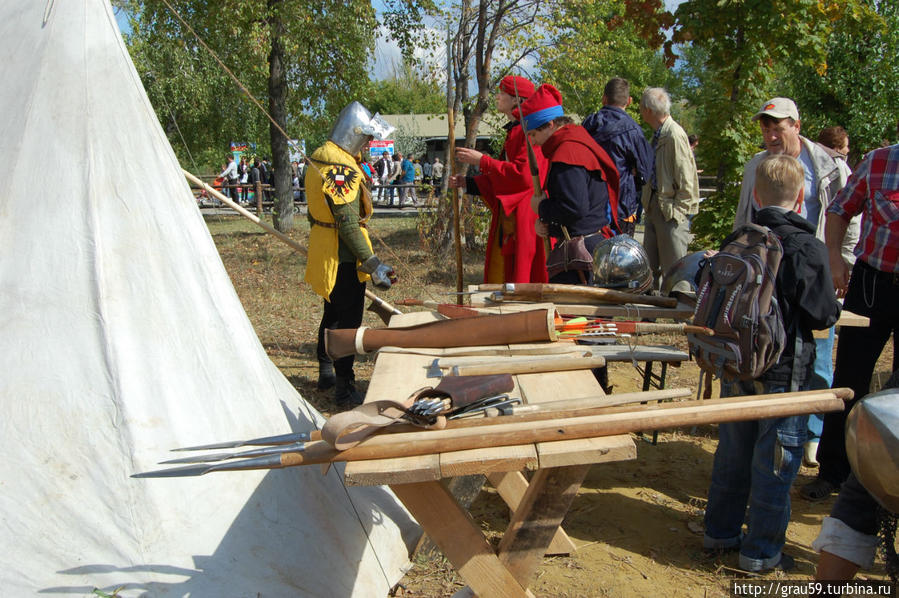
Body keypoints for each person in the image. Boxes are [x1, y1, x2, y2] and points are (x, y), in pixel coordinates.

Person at [702, 154, 842, 573]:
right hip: (784, 372)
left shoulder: (737, 240)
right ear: (802, 196)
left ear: (757, 194)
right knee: (775, 465)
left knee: (732, 453)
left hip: (736, 363)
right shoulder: (805, 246)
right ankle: (760, 554)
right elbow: (822, 315)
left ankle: (719, 534)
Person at [733, 98, 858, 485]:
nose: (770, 134)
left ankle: (811, 437)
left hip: (812, 265)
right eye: (765, 128)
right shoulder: (757, 165)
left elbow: (846, 216)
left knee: (818, 352)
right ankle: (767, 428)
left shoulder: (830, 166)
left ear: (796, 126)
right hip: (767, 273)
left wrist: (841, 259)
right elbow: (744, 214)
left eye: (778, 127)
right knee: (767, 346)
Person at [804, 141, 899, 500]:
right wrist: (834, 255)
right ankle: (832, 471)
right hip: (873, 282)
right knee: (849, 379)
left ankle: (888, 484)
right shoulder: (879, 162)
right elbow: (840, 209)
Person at [304, 102, 397, 409]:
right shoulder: (340, 169)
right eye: (367, 138)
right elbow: (346, 222)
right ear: (354, 134)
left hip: (326, 248)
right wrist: (372, 263)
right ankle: (344, 387)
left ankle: (326, 371)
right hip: (342, 256)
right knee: (347, 322)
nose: (369, 144)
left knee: (331, 314)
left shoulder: (320, 158)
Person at [448, 75, 549, 283]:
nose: (497, 97)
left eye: (502, 92)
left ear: (516, 99)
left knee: (524, 275)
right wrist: (468, 183)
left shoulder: (528, 130)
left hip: (526, 216)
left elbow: (524, 177)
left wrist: (483, 161)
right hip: (514, 216)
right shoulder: (515, 131)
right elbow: (503, 176)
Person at [519, 83, 620, 285]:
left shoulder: (568, 153)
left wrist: (541, 207)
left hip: (580, 254)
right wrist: (549, 224)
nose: (533, 142)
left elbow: (574, 207)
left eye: (533, 134)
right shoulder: (574, 143)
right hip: (587, 245)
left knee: (575, 315)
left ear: (550, 125)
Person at [639, 87, 700, 290]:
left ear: (648, 109)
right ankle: (648, 316)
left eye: (641, 105)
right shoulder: (658, 135)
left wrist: (677, 212)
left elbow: (686, 178)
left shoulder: (674, 135)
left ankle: (678, 318)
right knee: (648, 270)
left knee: (675, 272)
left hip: (670, 212)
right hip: (655, 206)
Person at [582, 78, 654, 237]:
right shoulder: (634, 131)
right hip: (620, 207)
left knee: (588, 257)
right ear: (629, 101)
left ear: (604, 98)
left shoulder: (587, 125)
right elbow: (645, 173)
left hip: (589, 204)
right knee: (619, 260)